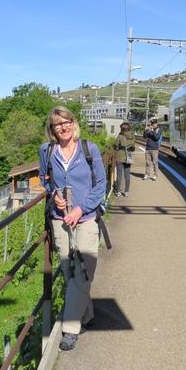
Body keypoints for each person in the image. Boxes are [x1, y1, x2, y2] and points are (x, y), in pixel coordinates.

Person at [39, 106, 106, 351]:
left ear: (73, 123)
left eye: (66, 122)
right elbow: (45, 179)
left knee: (83, 272)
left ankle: (70, 329)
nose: (63, 127)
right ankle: (86, 315)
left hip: (86, 219)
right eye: (58, 124)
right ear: (52, 129)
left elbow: (100, 184)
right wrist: (54, 194)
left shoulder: (90, 149)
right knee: (69, 272)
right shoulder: (47, 151)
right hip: (59, 220)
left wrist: (81, 208)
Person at [114, 121, 135, 197]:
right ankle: (126, 191)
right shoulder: (132, 136)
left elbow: (116, 145)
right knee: (127, 174)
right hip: (129, 156)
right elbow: (133, 147)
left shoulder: (120, 135)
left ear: (122, 129)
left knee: (119, 175)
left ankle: (118, 191)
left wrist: (117, 148)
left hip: (120, 156)